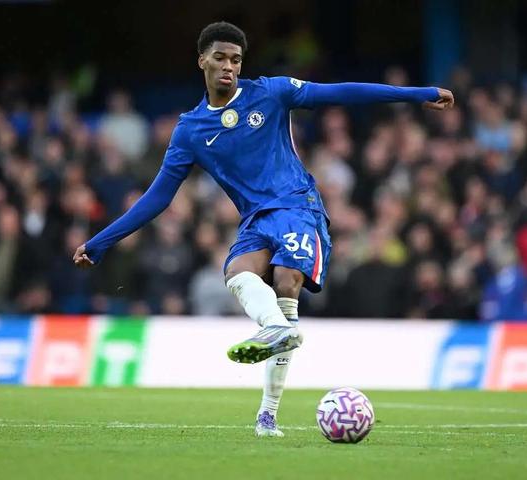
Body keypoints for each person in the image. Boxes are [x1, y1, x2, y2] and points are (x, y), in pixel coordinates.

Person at [73, 21, 454, 437]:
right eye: (220, 57)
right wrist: (100, 242)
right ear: (202, 60)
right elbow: (157, 198)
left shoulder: (271, 92)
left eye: (236, 60)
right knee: (236, 273)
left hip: (297, 205)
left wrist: (417, 94)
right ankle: (277, 345)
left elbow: (341, 91)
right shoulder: (190, 130)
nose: (229, 66)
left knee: (287, 281)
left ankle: (268, 406)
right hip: (255, 219)